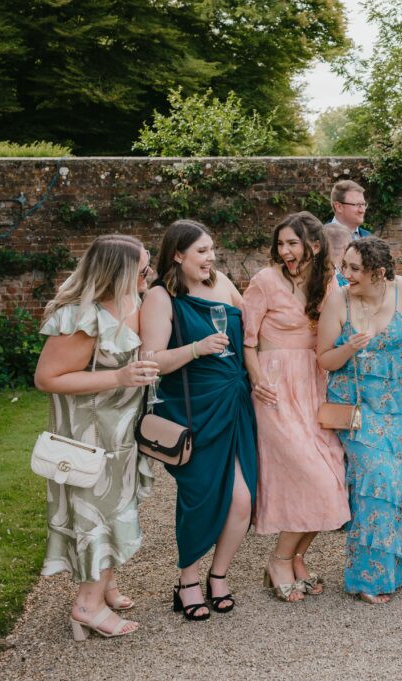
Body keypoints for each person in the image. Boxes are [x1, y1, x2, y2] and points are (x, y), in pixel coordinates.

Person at [34, 235, 158, 641]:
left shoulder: (130, 302)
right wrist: (120, 377)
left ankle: (104, 586)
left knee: (118, 510)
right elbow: (47, 378)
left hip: (121, 434)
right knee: (98, 517)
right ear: (118, 272)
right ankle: (87, 605)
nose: (149, 273)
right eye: (142, 268)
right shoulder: (82, 319)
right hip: (89, 440)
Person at [139, 220, 258, 621]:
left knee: (242, 499)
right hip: (194, 407)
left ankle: (218, 575)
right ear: (177, 254)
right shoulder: (160, 297)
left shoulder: (223, 282)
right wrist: (197, 348)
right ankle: (187, 579)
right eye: (202, 252)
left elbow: (253, 326)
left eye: (212, 250)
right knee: (199, 498)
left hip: (235, 401)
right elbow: (151, 360)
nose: (211, 258)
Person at [242, 213, 350, 602]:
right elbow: (247, 340)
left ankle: (298, 558)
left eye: (293, 243)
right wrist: (257, 380)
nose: (285, 251)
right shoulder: (265, 282)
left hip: (315, 384)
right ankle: (279, 559)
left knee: (333, 472)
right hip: (275, 386)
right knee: (309, 474)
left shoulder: (329, 281)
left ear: (314, 246)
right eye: (281, 244)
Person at [317, 237, 402, 605]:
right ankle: (368, 577)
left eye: (354, 268)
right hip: (357, 409)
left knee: (397, 482)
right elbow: (324, 360)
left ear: (379, 272)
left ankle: (391, 564)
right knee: (374, 478)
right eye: (344, 266)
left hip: (399, 406)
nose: (346, 274)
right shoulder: (338, 299)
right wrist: (349, 348)